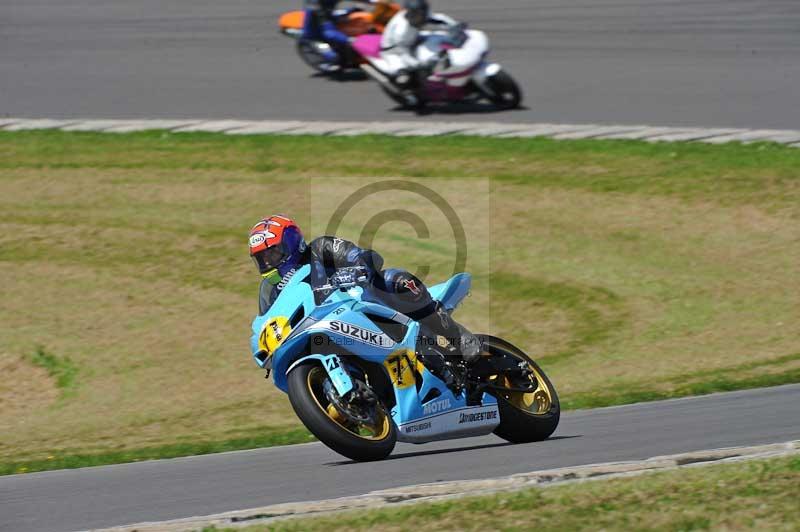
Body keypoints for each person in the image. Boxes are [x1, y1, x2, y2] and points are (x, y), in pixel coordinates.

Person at [248, 214, 480, 389]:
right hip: (329, 329)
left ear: (292, 242)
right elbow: (271, 318)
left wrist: (358, 269)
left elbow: (360, 255)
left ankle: (456, 336)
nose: (268, 262)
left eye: (272, 253)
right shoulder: (272, 291)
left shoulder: (320, 249)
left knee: (393, 279)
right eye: (261, 259)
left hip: (364, 304)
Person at [378, 0, 456, 101]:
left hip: (413, 39)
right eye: (418, 14)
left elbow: (440, 19)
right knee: (403, 74)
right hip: (393, 50)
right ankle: (410, 93)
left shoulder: (421, 15)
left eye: (422, 13)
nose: (422, 17)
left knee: (440, 38)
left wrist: (455, 26)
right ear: (411, 13)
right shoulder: (401, 30)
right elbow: (402, 52)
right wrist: (416, 64)